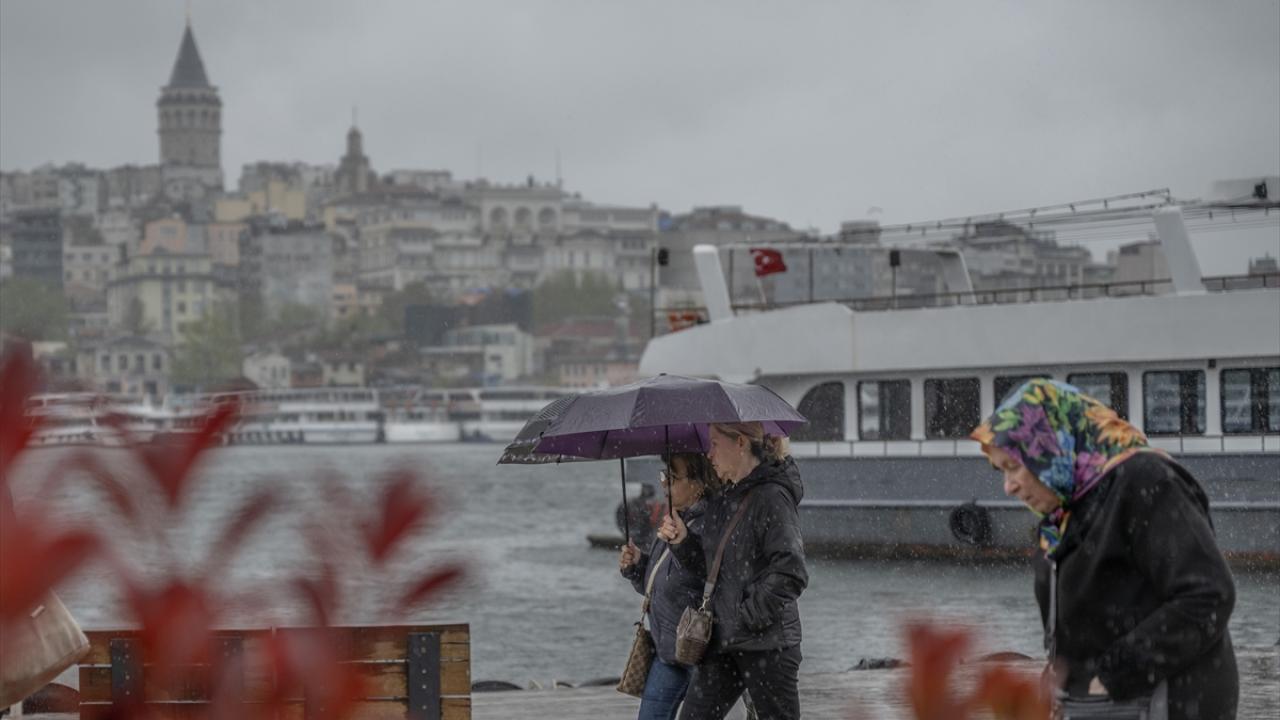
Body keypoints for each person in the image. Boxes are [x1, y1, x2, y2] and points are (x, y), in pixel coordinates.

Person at [971, 379, 1238, 719]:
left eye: (1013, 467)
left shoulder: (1144, 480)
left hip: (1165, 705)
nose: (1008, 487)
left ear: (1049, 446)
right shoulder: (1062, 516)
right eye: (1001, 471)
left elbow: (1209, 594)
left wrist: (1111, 676)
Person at [657, 422, 807, 720]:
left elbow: (791, 570)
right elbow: (711, 569)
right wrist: (683, 541)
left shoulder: (772, 497)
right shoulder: (724, 497)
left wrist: (748, 616)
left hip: (768, 645)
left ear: (739, 442)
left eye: (714, 444)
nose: (708, 453)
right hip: (723, 641)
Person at [619, 452, 717, 720]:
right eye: (664, 476)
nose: (664, 484)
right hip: (668, 650)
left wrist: (684, 542)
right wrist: (637, 565)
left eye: (672, 478)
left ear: (698, 483)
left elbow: (708, 576)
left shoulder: (712, 523)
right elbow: (659, 585)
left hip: (699, 650)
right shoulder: (676, 520)